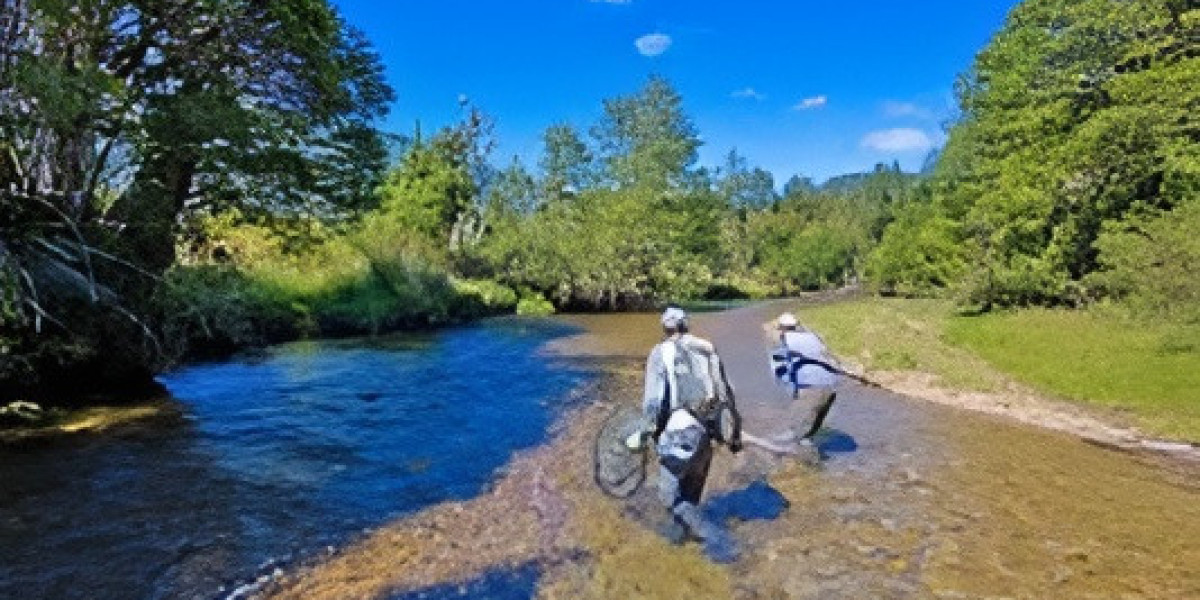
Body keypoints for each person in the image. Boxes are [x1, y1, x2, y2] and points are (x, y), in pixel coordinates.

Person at [629, 305, 739, 545]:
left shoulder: (660, 353)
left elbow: (654, 403)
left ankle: (720, 544)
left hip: (680, 434)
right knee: (690, 498)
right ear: (686, 324)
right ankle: (686, 544)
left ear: (664, 327)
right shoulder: (708, 349)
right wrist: (734, 436)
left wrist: (645, 433)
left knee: (670, 500)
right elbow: (726, 393)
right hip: (706, 438)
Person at [768, 312, 839, 447]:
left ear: (782, 328)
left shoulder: (786, 339)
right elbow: (826, 356)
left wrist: (791, 389)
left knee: (795, 419)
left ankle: (788, 446)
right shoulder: (813, 337)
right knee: (816, 420)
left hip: (813, 386)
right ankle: (807, 443)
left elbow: (787, 367)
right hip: (831, 386)